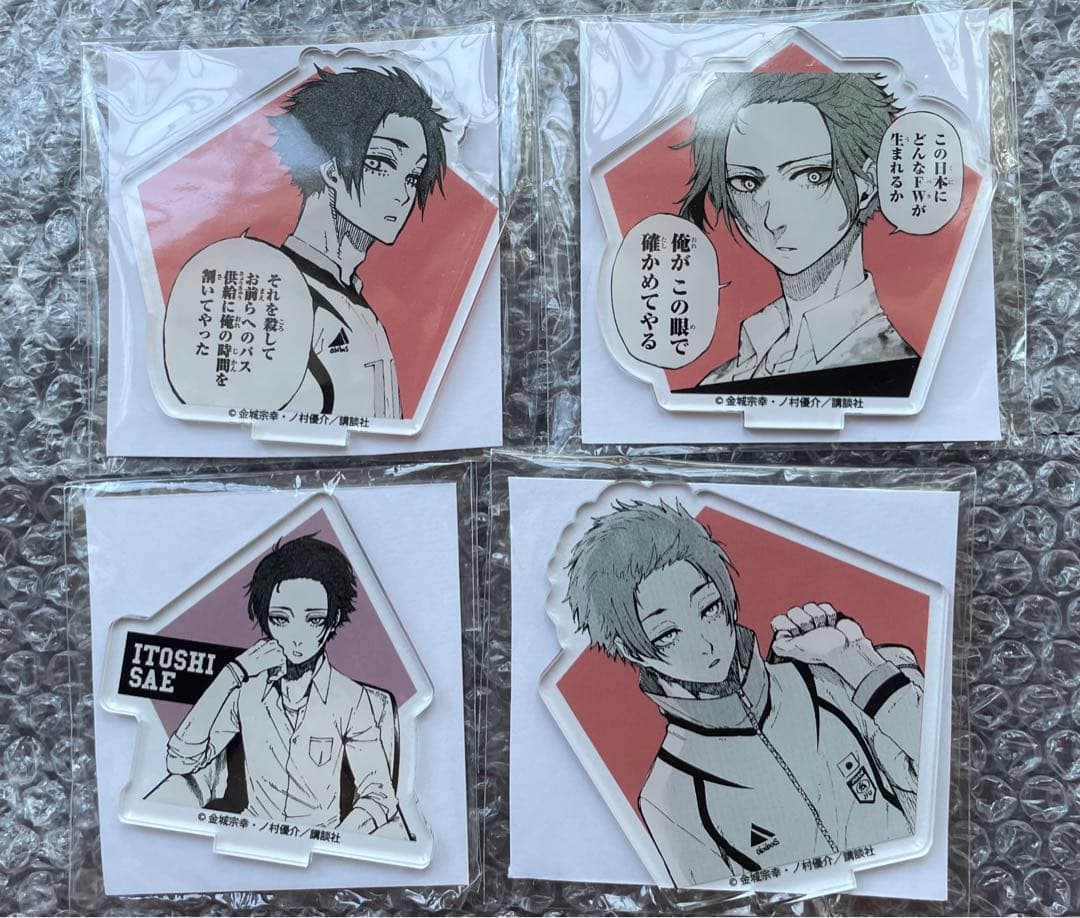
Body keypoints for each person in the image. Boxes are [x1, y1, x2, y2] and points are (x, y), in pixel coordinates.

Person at [565, 499, 923, 887]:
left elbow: (944, 790)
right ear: (632, 650)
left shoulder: (824, 678)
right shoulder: (673, 794)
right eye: (667, 634)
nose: (705, 643)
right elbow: (715, 908)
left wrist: (861, 663)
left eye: (708, 608)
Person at [678, 71, 919, 397]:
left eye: (811, 176)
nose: (773, 218)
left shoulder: (894, 367)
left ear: (867, 184)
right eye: (747, 182)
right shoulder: (728, 374)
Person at [151, 534, 407, 836]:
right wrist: (232, 674)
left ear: (333, 620)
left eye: (314, 620)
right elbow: (180, 761)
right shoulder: (246, 690)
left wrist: (336, 841)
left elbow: (378, 795)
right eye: (281, 619)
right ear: (266, 619)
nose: (297, 637)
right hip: (251, 835)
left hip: (319, 842)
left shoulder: (353, 700)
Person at [270, 66, 449, 419]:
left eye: (413, 176)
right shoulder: (284, 295)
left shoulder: (355, 304)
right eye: (381, 163)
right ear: (328, 168)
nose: (403, 194)